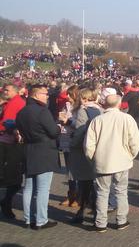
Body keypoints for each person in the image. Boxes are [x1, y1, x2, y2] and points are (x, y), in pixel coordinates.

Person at [85, 89, 139, 233]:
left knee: (102, 193)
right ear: (118, 104)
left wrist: (93, 159)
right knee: (121, 192)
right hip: (122, 161)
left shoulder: (97, 120)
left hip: (103, 162)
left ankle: (100, 223)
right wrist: (130, 155)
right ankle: (121, 220)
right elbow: (135, 142)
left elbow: (89, 145)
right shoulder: (127, 119)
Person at [16, 83, 60, 230]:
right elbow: (53, 132)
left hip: (28, 149)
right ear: (36, 95)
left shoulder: (22, 112)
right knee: (42, 188)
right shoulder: (42, 111)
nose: (47, 96)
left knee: (28, 187)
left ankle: (28, 219)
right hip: (44, 151)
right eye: (45, 94)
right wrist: (59, 126)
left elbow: (20, 129)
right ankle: (41, 220)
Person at [68, 88, 102, 224]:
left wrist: (72, 143)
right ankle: (94, 210)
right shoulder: (99, 110)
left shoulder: (83, 110)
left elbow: (80, 130)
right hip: (95, 148)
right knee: (92, 181)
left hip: (82, 149)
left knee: (84, 182)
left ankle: (83, 210)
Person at [0, 83, 26, 220]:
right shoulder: (12, 102)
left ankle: (6, 202)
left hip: (11, 142)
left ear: (15, 91)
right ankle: (6, 203)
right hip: (9, 142)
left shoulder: (15, 103)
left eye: (7, 90)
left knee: (13, 176)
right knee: (12, 176)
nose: (5, 91)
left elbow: (7, 122)